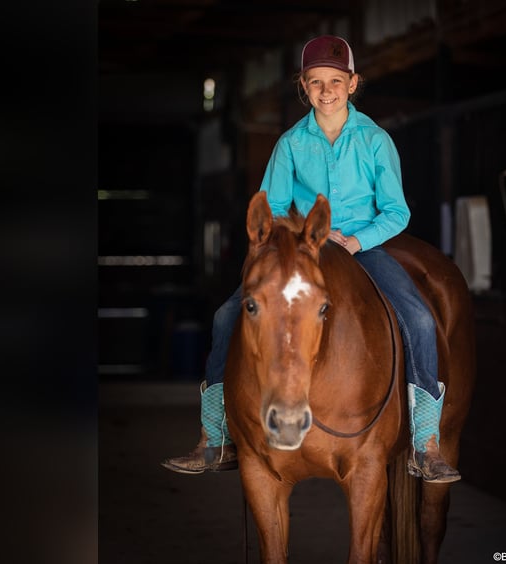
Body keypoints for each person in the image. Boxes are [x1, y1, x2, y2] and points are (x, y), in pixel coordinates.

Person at [162, 35, 460, 483]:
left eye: (336, 81)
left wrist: (355, 242)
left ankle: (425, 442)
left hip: (365, 249)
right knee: (226, 317)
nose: (326, 91)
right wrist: (301, 239)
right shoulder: (289, 144)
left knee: (418, 318)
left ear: (353, 83)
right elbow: (275, 205)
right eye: (316, 82)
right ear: (303, 86)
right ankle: (215, 436)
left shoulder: (375, 141)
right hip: (301, 253)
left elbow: (397, 211)